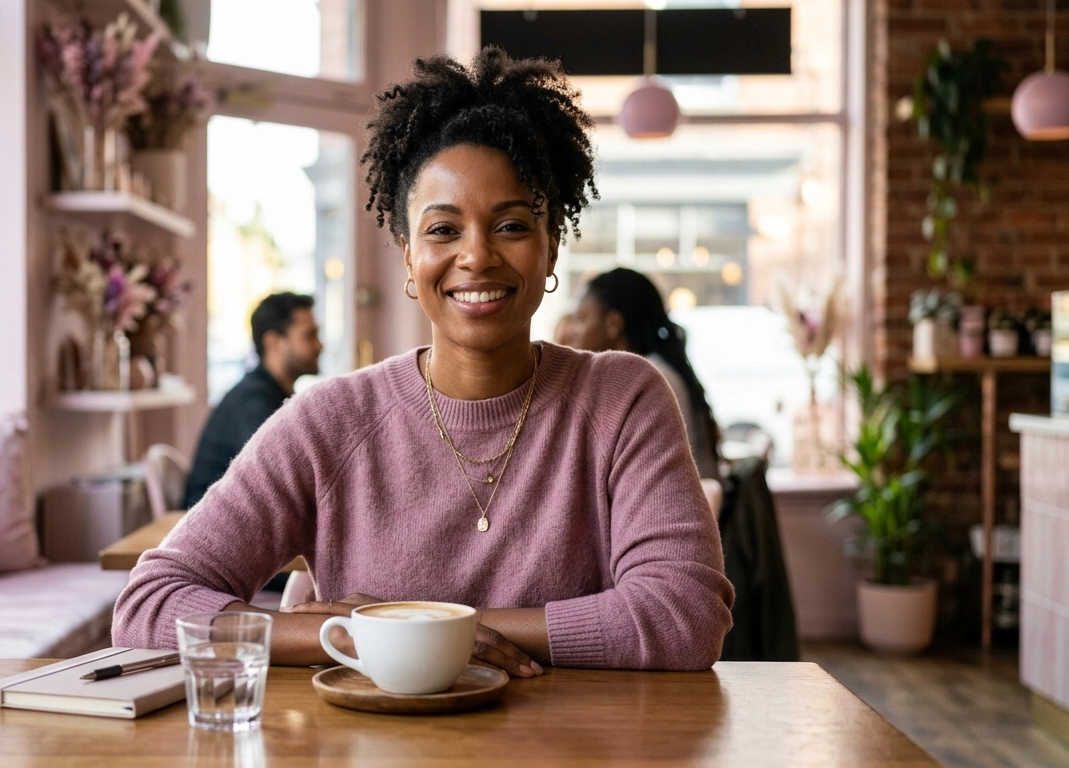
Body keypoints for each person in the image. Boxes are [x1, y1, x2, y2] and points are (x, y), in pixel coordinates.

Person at [114, 49, 733, 675]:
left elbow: (684, 617)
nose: (477, 256)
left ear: (550, 249)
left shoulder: (622, 399)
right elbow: (148, 608)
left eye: (512, 226)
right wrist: (346, 635)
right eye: (443, 230)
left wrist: (421, 626)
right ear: (409, 258)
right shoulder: (330, 420)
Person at [568, 268, 723, 481]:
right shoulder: (656, 371)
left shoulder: (650, 380)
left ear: (613, 324)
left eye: (581, 319)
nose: (573, 332)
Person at [182, 292, 322, 509]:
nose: (319, 345)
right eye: (309, 335)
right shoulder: (253, 402)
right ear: (273, 342)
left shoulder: (274, 395)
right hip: (210, 527)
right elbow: (280, 481)